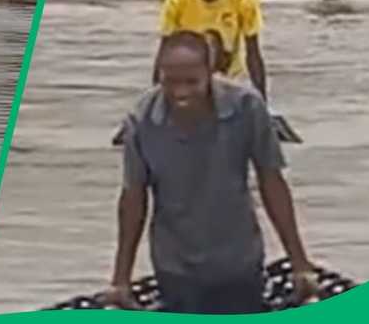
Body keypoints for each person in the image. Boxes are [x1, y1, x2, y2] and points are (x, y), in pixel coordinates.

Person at [106, 32, 317, 314]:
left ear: (210, 73)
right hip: (175, 267)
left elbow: (272, 182)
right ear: (159, 75)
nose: (180, 93)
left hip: (238, 261)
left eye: (191, 82)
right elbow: (133, 200)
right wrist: (121, 279)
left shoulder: (246, 108)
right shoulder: (142, 121)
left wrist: (300, 264)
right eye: (171, 82)